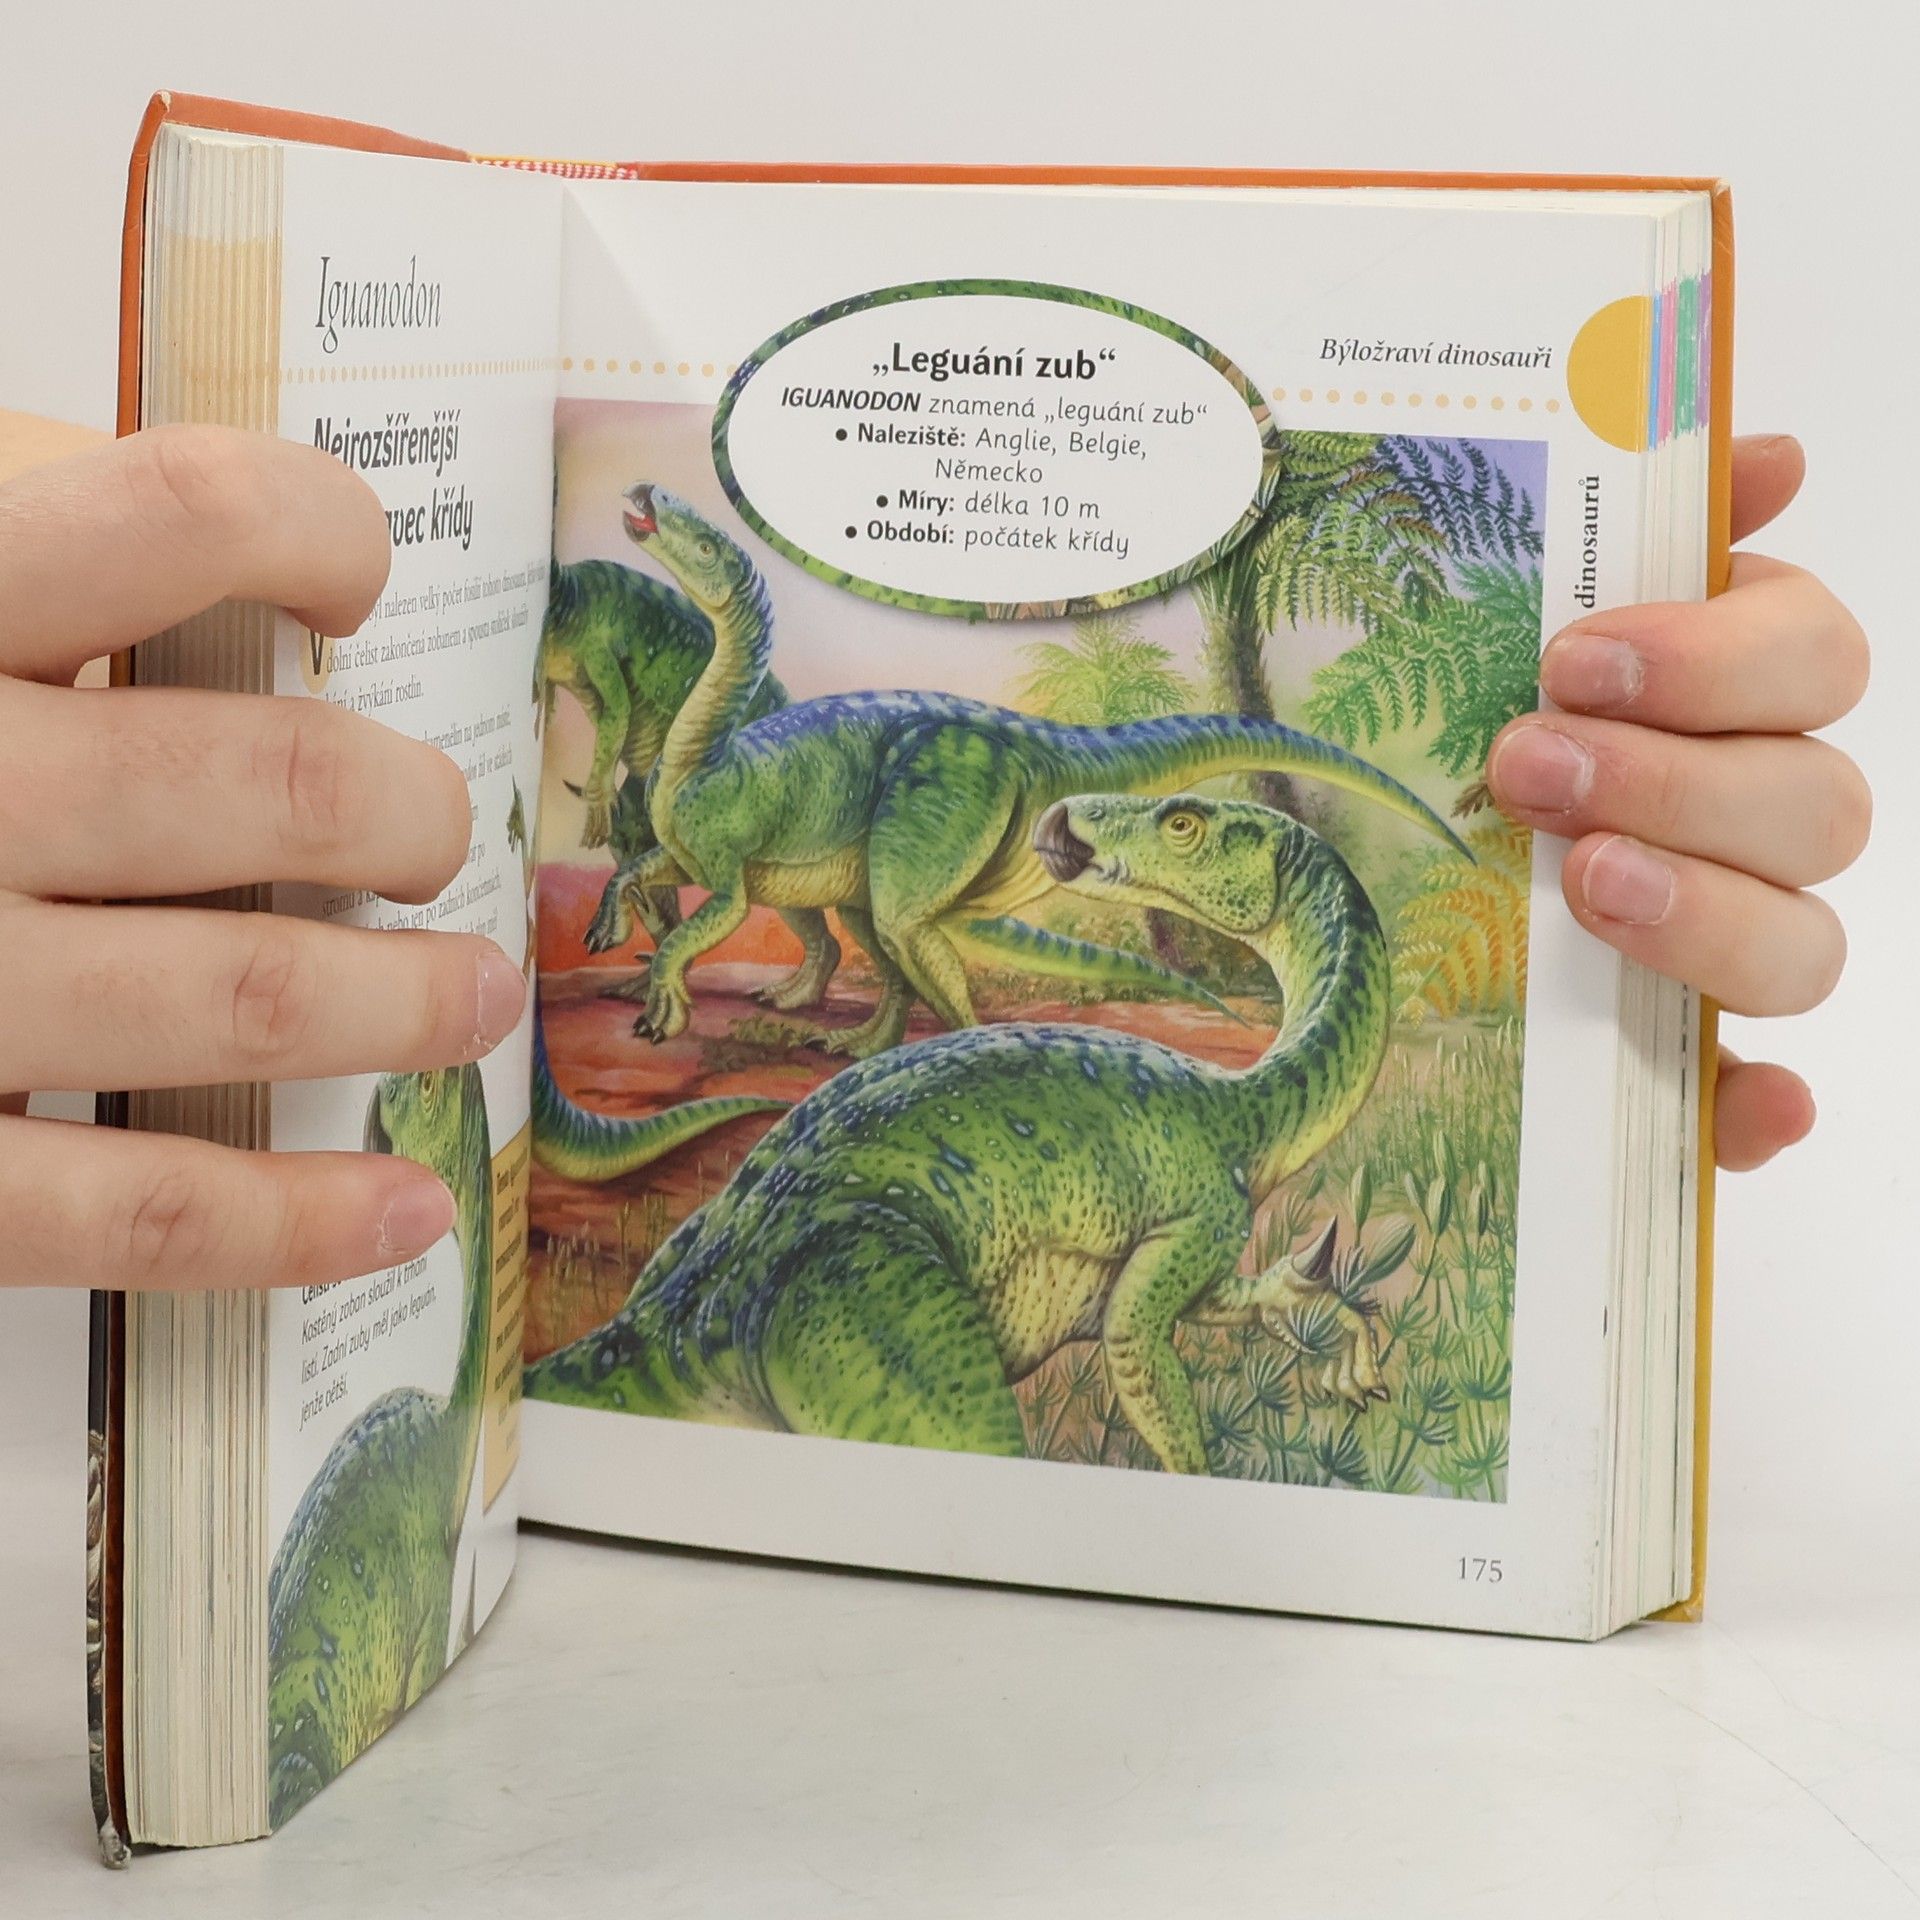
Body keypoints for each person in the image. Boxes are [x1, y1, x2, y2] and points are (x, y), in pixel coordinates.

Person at [0, 416, 1870, 1292]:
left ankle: (923, 1023)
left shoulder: (740, 761)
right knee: (855, 913)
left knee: (894, 914)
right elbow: (733, 879)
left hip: (918, 786)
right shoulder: (701, 803)